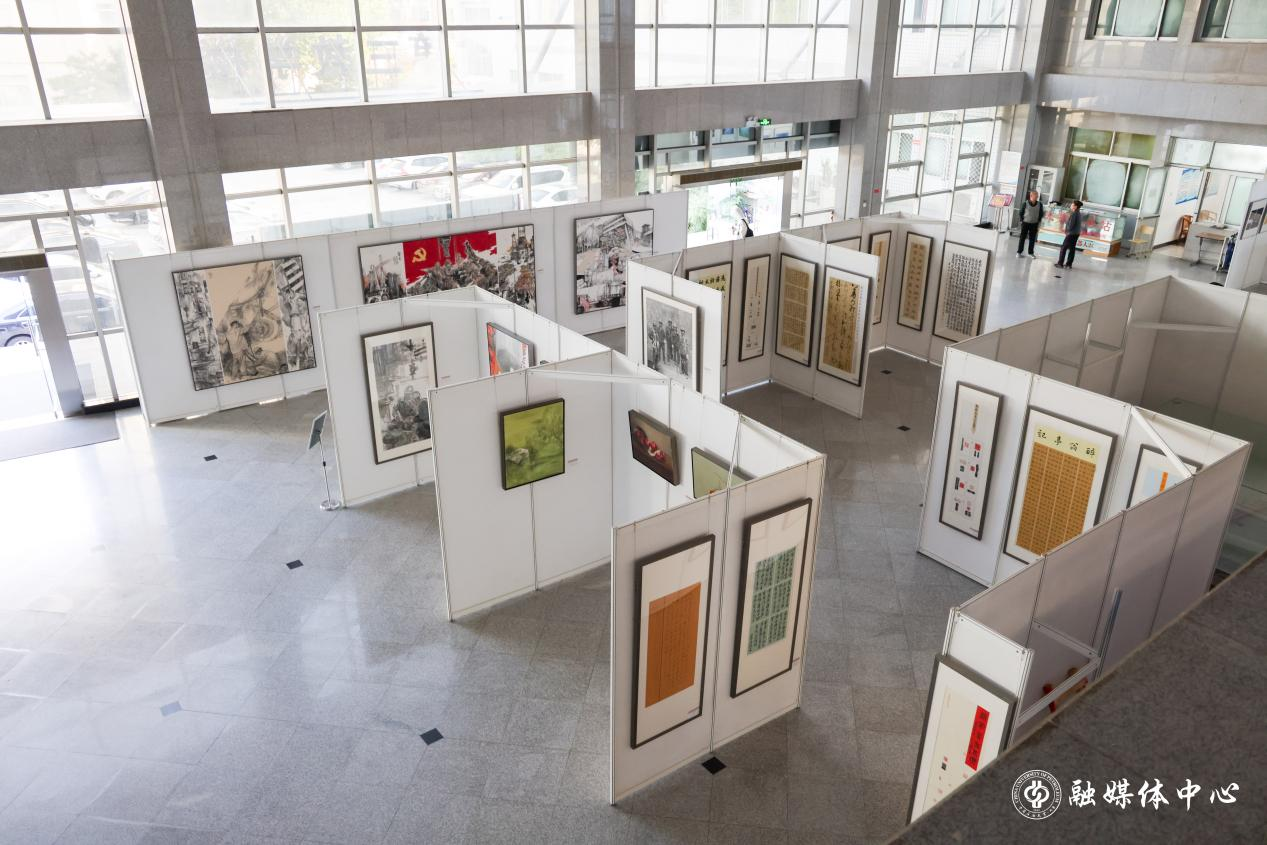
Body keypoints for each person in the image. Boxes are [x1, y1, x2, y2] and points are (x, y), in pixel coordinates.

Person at [1056, 200, 1084, 269]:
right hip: (1076, 233)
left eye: (1072, 205)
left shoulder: (1074, 214)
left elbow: (1071, 225)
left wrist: (1066, 230)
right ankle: (1069, 264)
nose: (1071, 206)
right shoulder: (1078, 213)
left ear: (1075, 206)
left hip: (1071, 234)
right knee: (1072, 248)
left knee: (1063, 248)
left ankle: (1060, 263)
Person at [1016, 190, 1042, 257]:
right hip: (1025, 223)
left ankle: (1031, 253)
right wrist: (1022, 221)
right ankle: (1019, 252)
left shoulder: (1040, 204)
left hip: (1034, 224)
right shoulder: (1025, 203)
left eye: (1037, 195)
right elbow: (1021, 213)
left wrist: (1038, 222)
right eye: (1036, 195)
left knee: (1032, 239)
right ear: (1031, 196)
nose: (1037, 197)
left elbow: (1040, 214)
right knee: (1022, 238)